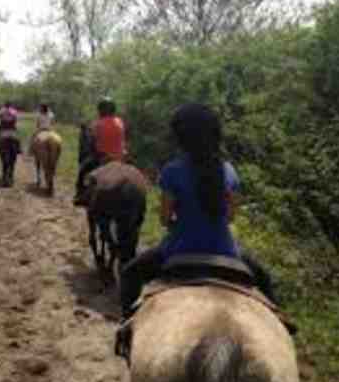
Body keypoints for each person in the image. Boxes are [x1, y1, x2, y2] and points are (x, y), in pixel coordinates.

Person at [118, 103, 277, 321]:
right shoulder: (228, 170)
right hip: (226, 251)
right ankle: (281, 320)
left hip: (179, 250)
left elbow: (165, 219)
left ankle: (126, 330)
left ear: (180, 136)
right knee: (265, 278)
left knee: (129, 274)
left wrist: (179, 222)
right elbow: (231, 216)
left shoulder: (172, 170)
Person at [73, 97, 127, 206]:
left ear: (101, 110)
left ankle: (80, 195)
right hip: (121, 158)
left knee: (82, 171)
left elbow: (91, 142)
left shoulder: (97, 124)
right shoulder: (120, 122)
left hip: (102, 158)